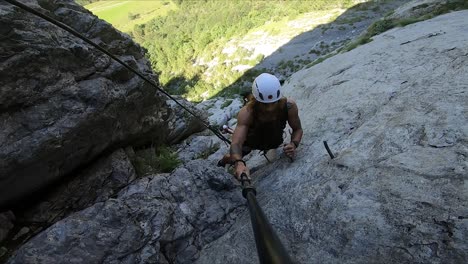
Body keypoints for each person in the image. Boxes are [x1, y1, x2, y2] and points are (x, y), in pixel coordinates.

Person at [218, 73, 303, 180]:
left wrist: (293, 144)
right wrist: (239, 163)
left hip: (274, 141)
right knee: (231, 158)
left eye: (273, 103)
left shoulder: (289, 106)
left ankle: (229, 158)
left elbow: (297, 129)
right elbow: (237, 143)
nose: (270, 108)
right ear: (256, 99)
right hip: (250, 141)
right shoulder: (247, 112)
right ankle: (224, 160)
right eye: (265, 104)